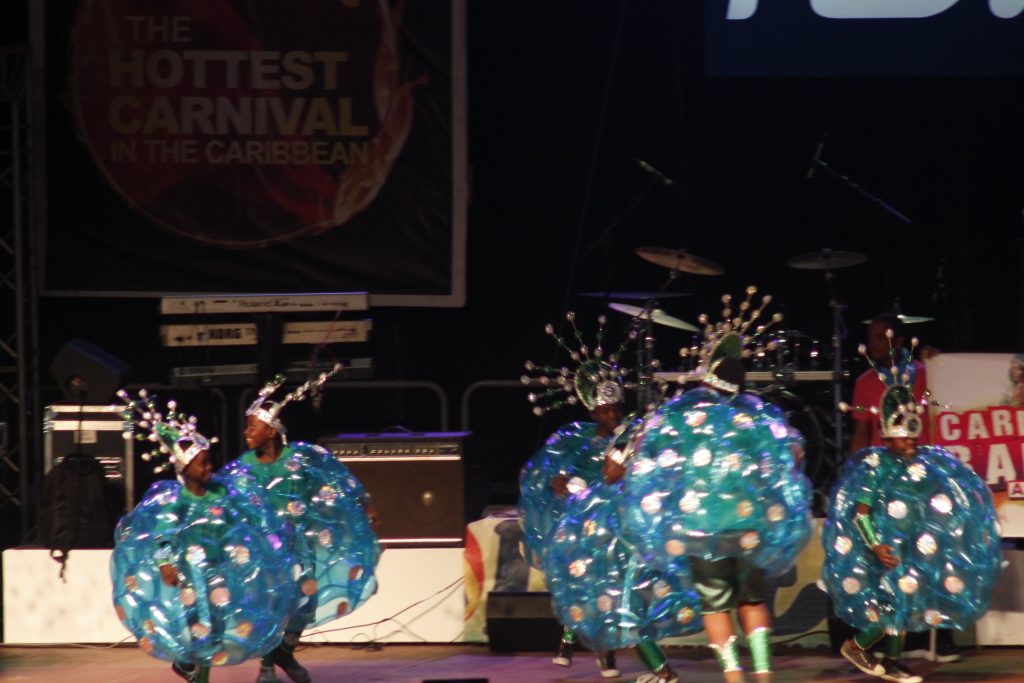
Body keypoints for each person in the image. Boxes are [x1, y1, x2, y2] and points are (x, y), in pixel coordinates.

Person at [619, 287, 813, 683]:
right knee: (752, 600)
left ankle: (734, 677)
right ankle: (763, 676)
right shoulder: (759, 415)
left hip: (700, 529)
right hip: (749, 526)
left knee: (716, 606)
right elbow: (793, 455)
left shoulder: (680, 413)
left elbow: (642, 454)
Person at [828, 356, 1001, 682]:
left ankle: (892, 661)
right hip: (885, 549)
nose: (910, 442)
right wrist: (875, 545)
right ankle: (857, 646)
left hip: (911, 547)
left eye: (913, 436)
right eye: (902, 437)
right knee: (894, 605)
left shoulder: (920, 465)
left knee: (905, 603)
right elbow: (861, 513)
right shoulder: (876, 467)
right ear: (886, 436)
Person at [112, 392, 294, 683]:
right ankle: (196, 671)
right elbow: (162, 537)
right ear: (185, 469)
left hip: (220, 571)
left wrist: (263, 537)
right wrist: (165, 564)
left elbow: (241, 516)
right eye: (202, 464)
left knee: (217, 626)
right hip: (190, 576)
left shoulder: (221, 492)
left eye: (209, 462)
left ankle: (198, 671)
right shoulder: (177, 503)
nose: (209, 467)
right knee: (200, 626)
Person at [221, 368, 380, 683]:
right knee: (270, 606)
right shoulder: (241, 469)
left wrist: (365, 504)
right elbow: (222, 503)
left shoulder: (302, 458)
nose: (246, 432)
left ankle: (285, 652)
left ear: (272, 430)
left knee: (306, 604)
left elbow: (337, 477)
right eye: (246, 426)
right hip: (263, 555)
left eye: (253, 426)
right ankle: (267, 669)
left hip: (300, 548)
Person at [848, 313, 958, 663]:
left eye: (880, 337)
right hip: (888, 489)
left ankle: (935, 641)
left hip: (923, 479)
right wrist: (854, 473)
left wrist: (939, 364)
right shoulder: (865, 382)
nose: (875, 344)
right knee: (897, 577)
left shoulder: (925, 373)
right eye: (871, 338)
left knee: (930, 560)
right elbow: (861, 432)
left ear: (897, 339)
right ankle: (879, 648)